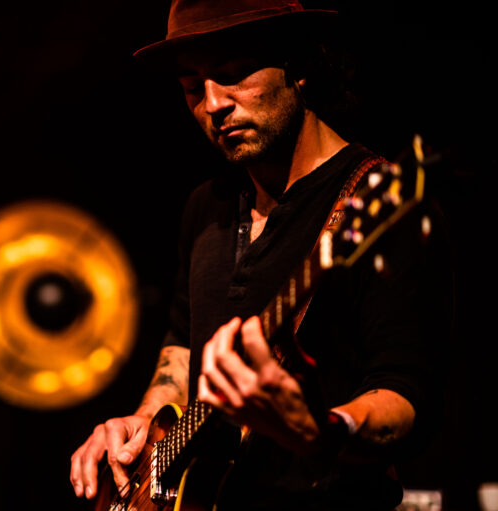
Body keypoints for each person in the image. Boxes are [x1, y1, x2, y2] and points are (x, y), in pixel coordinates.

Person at [69, 0, 451, 509]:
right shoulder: (206, 205)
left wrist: (324, 429)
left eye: (232, 76)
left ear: (300, 68)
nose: (212, 105)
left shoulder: (381, 203)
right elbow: (184, 343)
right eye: (191, 87)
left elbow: (407, 399)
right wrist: (145, 428)